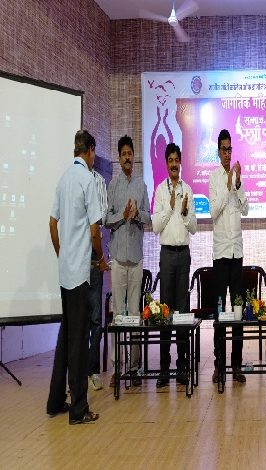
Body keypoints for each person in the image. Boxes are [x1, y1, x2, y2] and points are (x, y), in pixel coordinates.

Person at [46, 130, 108, 425]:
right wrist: (101, 258)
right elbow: (95, 230)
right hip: (81, 274)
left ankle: (56, 400)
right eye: (94, 153)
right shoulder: (87, 180)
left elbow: (52, 223)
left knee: (65, 336)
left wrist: (62, 254)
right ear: (90, 150)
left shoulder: (63, 179)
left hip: (65, 272)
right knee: (80, 340)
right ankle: (79, 409)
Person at [105, 135, 151, 387]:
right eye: (123, 154)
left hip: (135, 256)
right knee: (118, 314)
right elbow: (106, 219)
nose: (127, 158)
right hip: (118, 258)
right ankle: (117, 367)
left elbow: (148, 216)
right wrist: (122, 216)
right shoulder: (113, 185)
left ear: (134, 156)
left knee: (134, 313)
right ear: (119, 157)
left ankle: (134, 367)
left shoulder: (141, 185)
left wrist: (137, 214)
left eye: (129, 153)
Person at [152, 143, 197, 388]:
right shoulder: (160, 190)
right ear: (166, 163)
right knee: (165, 312)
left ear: (180, 162)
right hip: (167, 255)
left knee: (182, 311)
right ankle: (163, 368)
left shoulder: (188, 189)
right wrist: (170, 206)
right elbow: (155, 226)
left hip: (183, 254)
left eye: (176, 160)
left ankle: (182, 365)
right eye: (170, 160)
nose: (173, 164)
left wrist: (185, 212)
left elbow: (194, 227)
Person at [209, 129, 248, 384]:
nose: (227, 153)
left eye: (230, 149)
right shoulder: (214, 178)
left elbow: (246, 209)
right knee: (219, 312)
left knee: (237, 311)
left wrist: (239, 185)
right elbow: (214, 212)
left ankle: (236, 365)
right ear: (218, 152)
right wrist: (227, 187)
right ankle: (219, 365)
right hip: (221, 254)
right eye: (224, 149)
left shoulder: (236, 178)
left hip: (237, 254)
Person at [87, 163, 108, 391]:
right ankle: (76, 373)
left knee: (95, 318)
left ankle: (92, 371)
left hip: (93, 253)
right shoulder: (70, 179)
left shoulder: (99, 181)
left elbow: (100, 218)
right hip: (75, 255)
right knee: (76, 320)